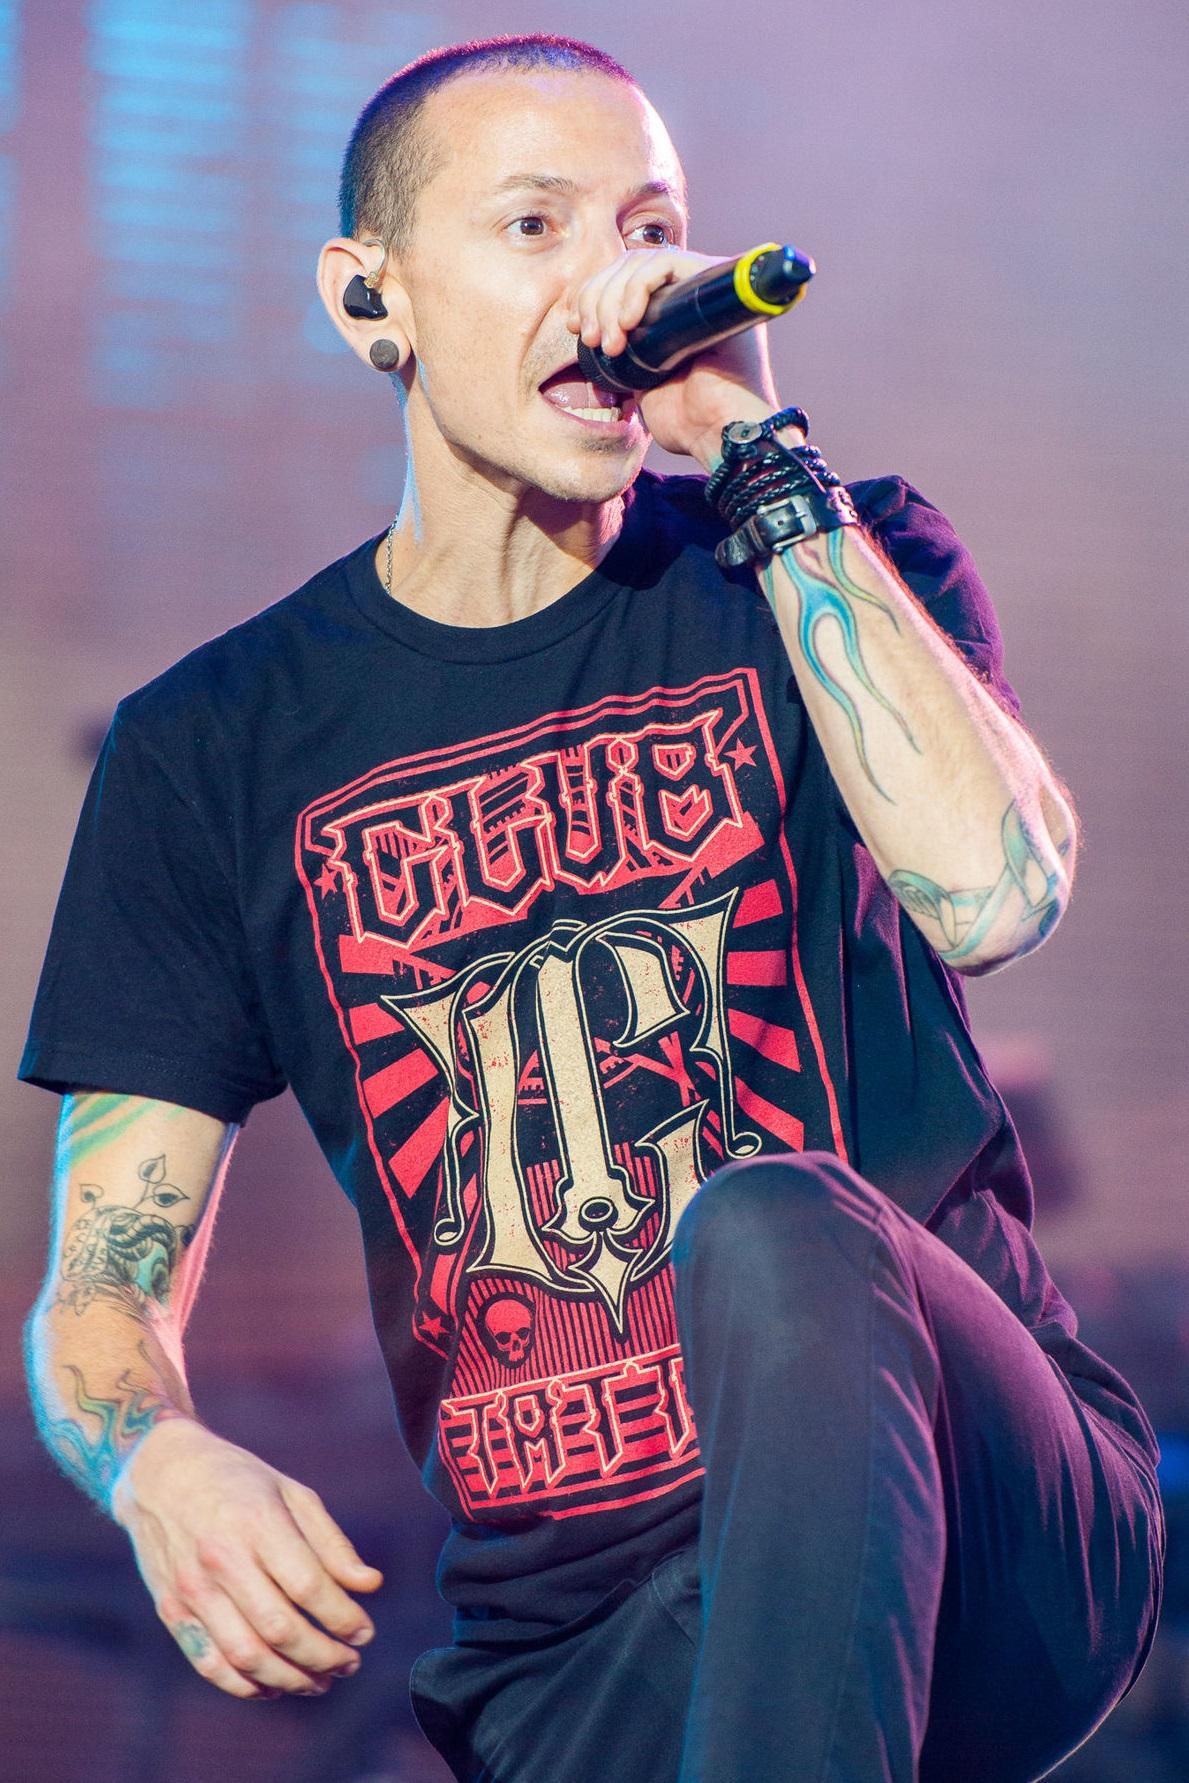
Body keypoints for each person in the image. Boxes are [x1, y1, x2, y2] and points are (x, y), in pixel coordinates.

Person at [19, 31, 1164, 1783]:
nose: (610, 276)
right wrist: (156, 1461)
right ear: (370, 299)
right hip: (582, 1637)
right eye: (533, 225)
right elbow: (103, 1289)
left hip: (985, 1529)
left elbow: (992, 896)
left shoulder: (819, 555)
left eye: (644, 223)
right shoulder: (212, 748)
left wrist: (756, 454)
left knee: (777, 1219)